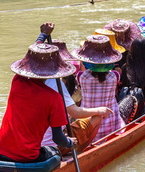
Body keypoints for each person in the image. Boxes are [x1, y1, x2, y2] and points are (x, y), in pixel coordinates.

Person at [0, 44, 78, 163]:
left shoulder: (17, 82)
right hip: (27, 156)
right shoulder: (55, 98)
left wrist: (42, 35)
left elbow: (29, 57)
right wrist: (69, 143)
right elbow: (57, 138)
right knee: (55, 152)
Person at [35, 23, 113, 154]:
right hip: (52, 145)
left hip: (38, 139)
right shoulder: (56, 83)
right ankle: (79, 152)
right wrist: (100, 110)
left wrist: (42, 35)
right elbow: (75, 113)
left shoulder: (27, 80)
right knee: (97, 116)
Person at [72, 35, 125, 143]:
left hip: (87, 125)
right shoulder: (114, 76)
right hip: (110, 124)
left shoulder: (82, 77)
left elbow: (82, 70)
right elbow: (117, 73)